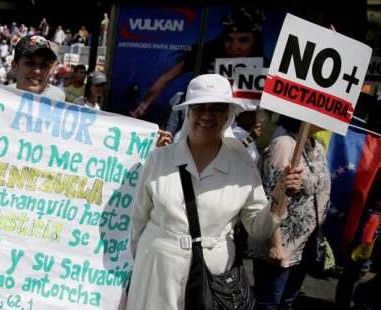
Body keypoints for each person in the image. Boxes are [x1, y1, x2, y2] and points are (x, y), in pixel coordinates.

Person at [127, 74, 303, 309]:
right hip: (156, 273)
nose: (207, 115)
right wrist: (147, 258)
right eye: (199, 107)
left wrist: (280, 195)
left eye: (217, 108)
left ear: (228, 115)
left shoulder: (242, 166)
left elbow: (258, 229)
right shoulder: (159, 158)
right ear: (188, 112)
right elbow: (138, 220)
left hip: (212, 278)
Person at [246, 115, 330, 310]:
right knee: (269, 304)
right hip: (279, 247)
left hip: (303, 247)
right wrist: (275, 245)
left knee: (288, 303)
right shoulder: (284, 146)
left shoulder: (316, 146)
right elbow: (269, 197)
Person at [131, 8, 265, 119]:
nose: (234, 47)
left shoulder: (264, 67)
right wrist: (144, 104)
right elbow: (166, 77)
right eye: (229, 40)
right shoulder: (207, 53)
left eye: (243, 40)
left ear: (255, 41)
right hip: (198, 118)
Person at [9, 34, 65, 101]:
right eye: (30, 63)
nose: (37, 71)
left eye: (44, 65)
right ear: (14, 66)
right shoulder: (3, 97)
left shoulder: (57, 100)